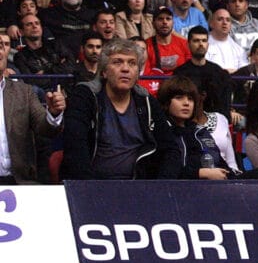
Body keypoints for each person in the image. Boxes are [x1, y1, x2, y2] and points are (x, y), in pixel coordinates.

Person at [61, 38, 180, 180]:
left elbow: (171, 149)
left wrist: (161, 185)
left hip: (139, 185)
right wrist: (89, 187)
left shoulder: (146, 101)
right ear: (104, 72)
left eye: (132, 63)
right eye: (117, 62)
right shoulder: (85, 97)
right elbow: (75, 147)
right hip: (93, 184)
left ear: (138, 73)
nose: (125, 69)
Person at [0, 32, 64, 184]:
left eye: (1, 46)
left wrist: (53, 114)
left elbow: (45, 128)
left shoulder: (24, 92)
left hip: (19, 183)